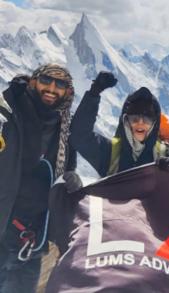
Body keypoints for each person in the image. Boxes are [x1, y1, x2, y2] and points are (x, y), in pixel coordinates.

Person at [0, 64, 81, 293]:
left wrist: (71, 179)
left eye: (60, 84)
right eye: (46, 80)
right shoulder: (8, 111)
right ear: (33, 81)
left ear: (68, 92)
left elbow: (66, 170)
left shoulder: (64, 127)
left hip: (33, 239)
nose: (52, 89)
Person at [70, 72, 169, 177]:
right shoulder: (110, 152)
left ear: (154, 124)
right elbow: (79, 137)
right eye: (134, 118)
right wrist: (93, 93)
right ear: (126, 121)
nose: (140, 122)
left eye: (147, 118)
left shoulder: (164, 155)